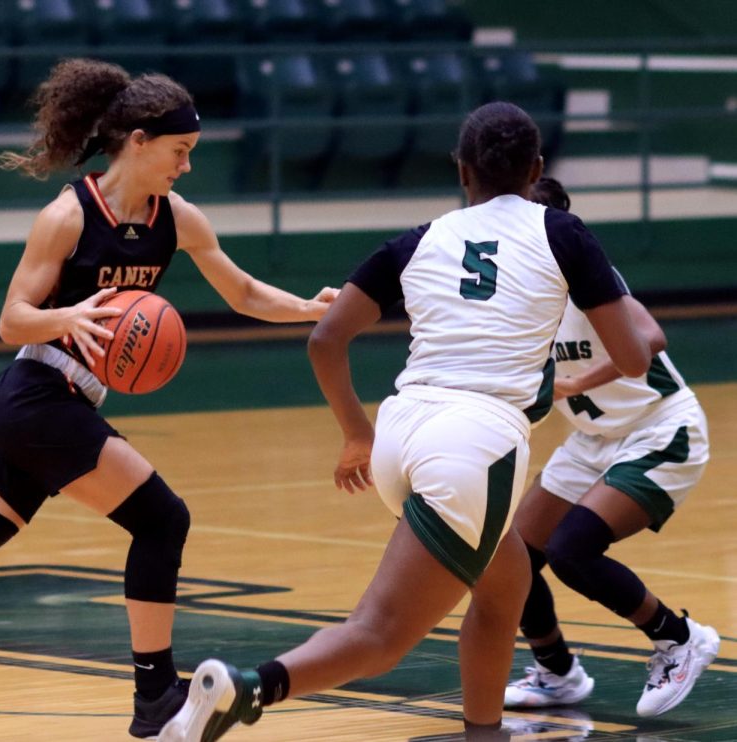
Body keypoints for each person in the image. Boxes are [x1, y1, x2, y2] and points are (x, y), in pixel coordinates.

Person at [0, 59, 337, 740]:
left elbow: (244, 293)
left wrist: (310, 307)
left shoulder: (176, 219)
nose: (186, 167)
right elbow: (11, 319)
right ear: (137, 141)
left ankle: (156, 699)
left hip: (60, 406)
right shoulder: (67, 217)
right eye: (179, 152)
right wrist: (64, 319)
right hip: (36, 394)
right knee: (163, 521)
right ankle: (156, 697)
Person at [157, 101, 654, 742]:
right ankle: (247, 688)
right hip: (475, 446)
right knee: (381, 635)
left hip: (401, 431)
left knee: (506, 583)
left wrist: (356, 434)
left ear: (461, 169)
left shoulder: (416, 241)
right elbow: (634, 355)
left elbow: (326, 339)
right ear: (536, 169)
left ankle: (484, 731)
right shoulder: (563, 232)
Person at [503, 176, 718, 718]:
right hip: (593, 439)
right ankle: (557, 672)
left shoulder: (588, 276)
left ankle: (678, 638)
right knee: (510, 554)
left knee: (571, 549)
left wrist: (577, 382)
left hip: (660, 427)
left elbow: (649, 339)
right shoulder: (517, 296)